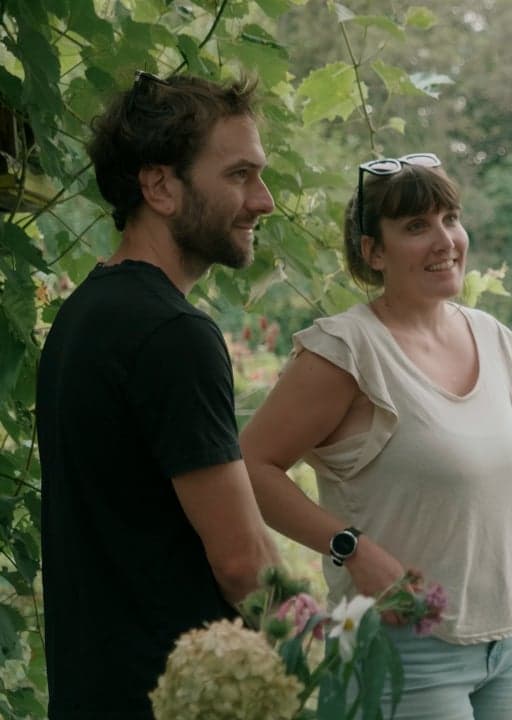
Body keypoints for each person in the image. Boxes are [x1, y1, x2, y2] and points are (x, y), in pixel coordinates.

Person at [240, 152, 512, 719]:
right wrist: (350, 547)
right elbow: (251, 467)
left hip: (508, 641)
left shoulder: (493, 337)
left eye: (450, 219)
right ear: (373, 252)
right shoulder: (347, 350)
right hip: (402, 648)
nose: (445, 240)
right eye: (416, 226)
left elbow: (498, 466)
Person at [36, 72, 281, 718]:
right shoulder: (173, 335)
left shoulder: (84, 314)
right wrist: (321, 648)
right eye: (239, 175)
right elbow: (243, 563)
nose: (264, 201)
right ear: (160, 186)